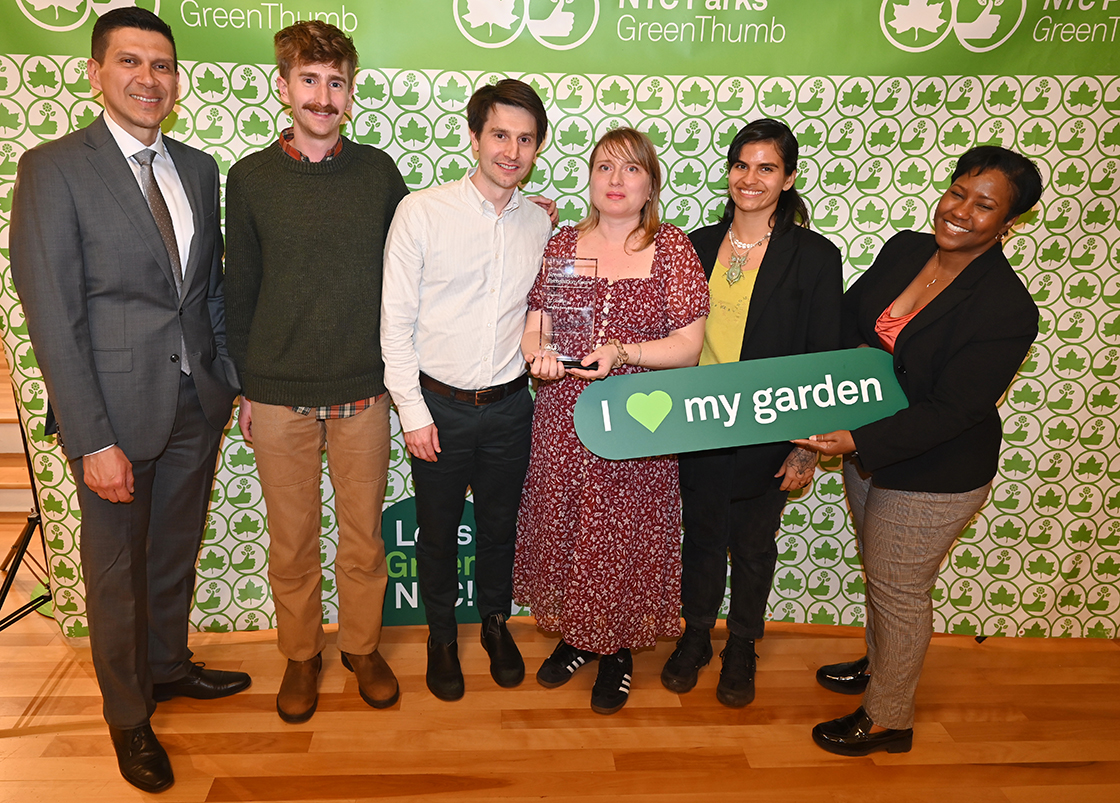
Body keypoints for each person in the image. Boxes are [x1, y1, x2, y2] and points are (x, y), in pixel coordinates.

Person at [8, 8, 249, 793]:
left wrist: (225, 383)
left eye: (163, 66)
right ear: (95, 72)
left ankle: (168, 667)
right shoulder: (54, 168)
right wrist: (90, 436)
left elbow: (204, 291)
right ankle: (127, 715)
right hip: (112, 413)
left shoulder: (198, 167)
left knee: (172, 552)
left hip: (193, 405)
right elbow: (51, 312)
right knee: (115, 569)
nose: (150, 79)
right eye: (131, 63)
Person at [793, 146, 1043, 755]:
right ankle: (884, 667)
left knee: (899, 588)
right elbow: (853, 326)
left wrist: (858, 438)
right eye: (958, 192)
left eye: (984, 205)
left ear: (1009, 222)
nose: (961, 211)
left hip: (936, 470)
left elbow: (956, 410)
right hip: (870, 452)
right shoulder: (905, 249)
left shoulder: (1007, 308)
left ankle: (888, 718)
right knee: (882, 576)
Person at [224, 21, 408, 723]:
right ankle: (302, 654)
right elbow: (237, 288)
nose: (323, 96)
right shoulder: (249, 179)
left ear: (351, 94)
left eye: (336, 83)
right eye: (309, 80)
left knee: (363, 537)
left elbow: (414, 267)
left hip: (364, 390)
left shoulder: (379, 173)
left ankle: (362, 647)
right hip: (277, 397)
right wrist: (245, 384)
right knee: (293, 539)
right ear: (284, 87)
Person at [514, 127, 709, 715]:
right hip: (563, 416)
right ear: (591, 178)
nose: (616, 181)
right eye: (605, 168)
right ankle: (578, 637)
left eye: (630, 170)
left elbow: (688, 346)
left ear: (651, 182)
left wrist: (624, 353)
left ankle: (617, 650)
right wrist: (536, 354)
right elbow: (538, 320)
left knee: (622, 534)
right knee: (574, 526)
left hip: (637, 423)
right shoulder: (562, 243)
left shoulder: (672, 247)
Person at [660, 119, 843, 707]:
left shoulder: (815, 257)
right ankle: (695, 637)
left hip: (770, 426)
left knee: (756, 545)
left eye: (767, 168)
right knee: (703, 539)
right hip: (698, 421)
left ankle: (742, 644)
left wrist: (804, 446)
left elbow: (822, 355)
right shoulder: (694, 244)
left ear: (788, 178)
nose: (751, 178)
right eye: (742, 165)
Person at [381, 79, 552, 702]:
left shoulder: (541, 224)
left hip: (511, 408)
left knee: (502, 527)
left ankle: (495, 624)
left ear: (536, 149)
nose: (511, 150)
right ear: (474, 137)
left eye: (525, 139)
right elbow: (394, 324)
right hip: (439, 409)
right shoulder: (422, 212)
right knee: (438, 529)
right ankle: (441, 636)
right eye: (500, 134)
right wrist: (413, 412)